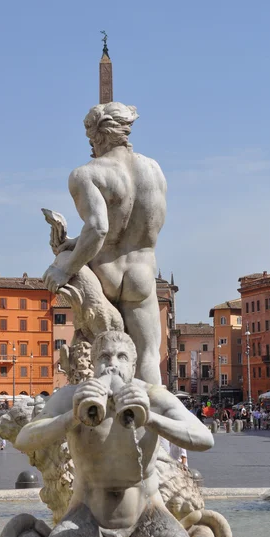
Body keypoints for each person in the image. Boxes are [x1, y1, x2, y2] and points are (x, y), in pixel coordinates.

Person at [14, 331, 216, 537]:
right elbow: (24, 439)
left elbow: (204, 438)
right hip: (86, 518)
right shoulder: (71, 396)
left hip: (146, 518)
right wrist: (71, 417)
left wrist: (151, 418)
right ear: (94, 364)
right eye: (105, 357)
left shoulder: (153, 396)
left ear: (133, 366)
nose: (113, 364)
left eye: (122, 357)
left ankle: (201, 535)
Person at [42, 102, 167, 385]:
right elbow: (147, 226)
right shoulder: (154, 170)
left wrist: (66, 268)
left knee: (102, 357)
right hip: (142, 273)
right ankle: (147, 426)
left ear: (96, 136)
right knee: (147, 358)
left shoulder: (86, 174)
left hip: (104, 272)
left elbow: (99, 229)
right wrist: (77, 241)